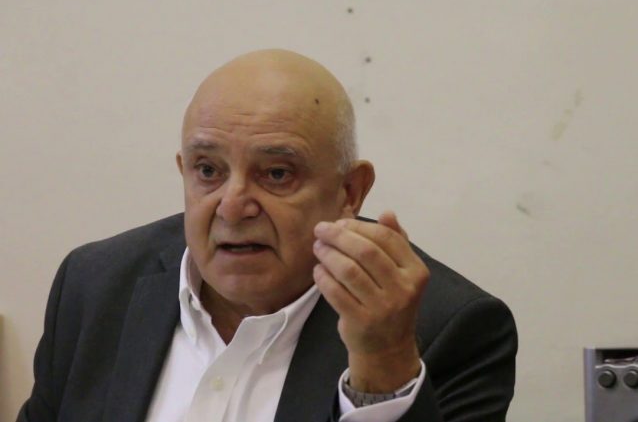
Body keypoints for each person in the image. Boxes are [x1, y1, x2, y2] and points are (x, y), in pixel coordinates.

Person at [17, 49, 517, 422]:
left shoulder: (448, 329)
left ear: (349, 191)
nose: (233, 206)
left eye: (277, 174)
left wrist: (383, 365)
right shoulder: (95, 287)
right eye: (208, 170)